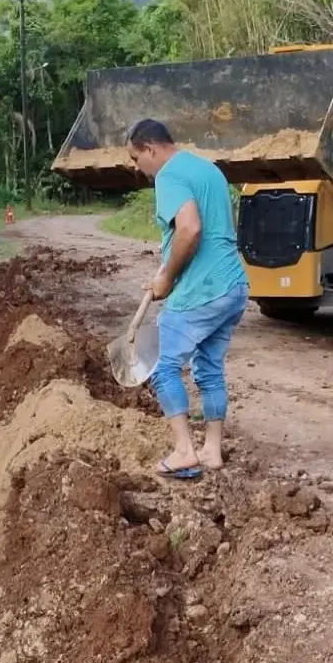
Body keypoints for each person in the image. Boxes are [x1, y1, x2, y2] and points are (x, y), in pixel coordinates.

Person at [126, 118, 250, 480]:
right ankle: (211, 450)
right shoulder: (207, 169)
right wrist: (166, 268)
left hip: (203, 291)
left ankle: (184, 451)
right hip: (233, 287)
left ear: (150, 148)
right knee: (209, 367)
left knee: (159, 364)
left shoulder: (169, 175)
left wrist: (167, 277)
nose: (139, 170)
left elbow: (191, 228)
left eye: (136, 159)